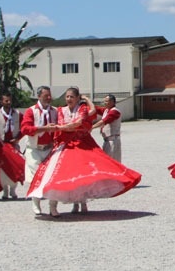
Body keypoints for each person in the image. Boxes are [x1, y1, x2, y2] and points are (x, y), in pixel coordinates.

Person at [27, 87, 141, 217]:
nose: (69, 99)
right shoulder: (60, 110)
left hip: (81, 145)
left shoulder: (83, 109)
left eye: (72, 97)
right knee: (58, 175)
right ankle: (53, 206)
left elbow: (82, 119)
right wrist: (61, 128)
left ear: (77, 98)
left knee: (84, 174)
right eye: (67, 97)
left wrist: (85, 100)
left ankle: (82, 202)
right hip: (65, 146)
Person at [20, 86, 59, 215]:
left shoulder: (55, 111)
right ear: (39, 96)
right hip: (34, 149)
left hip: (50, 148)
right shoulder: (31, 111)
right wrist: (44, 128)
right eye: (46, 95)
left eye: (49, 95)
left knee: (53, 177)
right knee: (36, 177)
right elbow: (25, 129)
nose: (49, 98)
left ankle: (53, 206)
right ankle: (36, 202)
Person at [0, 91, 25, 199]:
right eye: (6, 100)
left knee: (15, 166)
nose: (8, 102)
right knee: (2, 168)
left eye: (10, 100)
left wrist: (18, 138)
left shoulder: (18, 114)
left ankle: (13, 189)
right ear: (1, 102)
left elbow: (24, 127)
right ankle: (5, 190)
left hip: (13, 145)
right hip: (1, 145)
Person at [93, 94, 123, 161]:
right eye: (104, 101)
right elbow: (96, 109)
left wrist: (91, 127)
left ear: (112, 102)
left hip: (113, 140)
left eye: (106, 101)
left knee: (113, 161)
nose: (104, 103)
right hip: (107, 140)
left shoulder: (115, 111)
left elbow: (104, 121)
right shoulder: (106, 110)